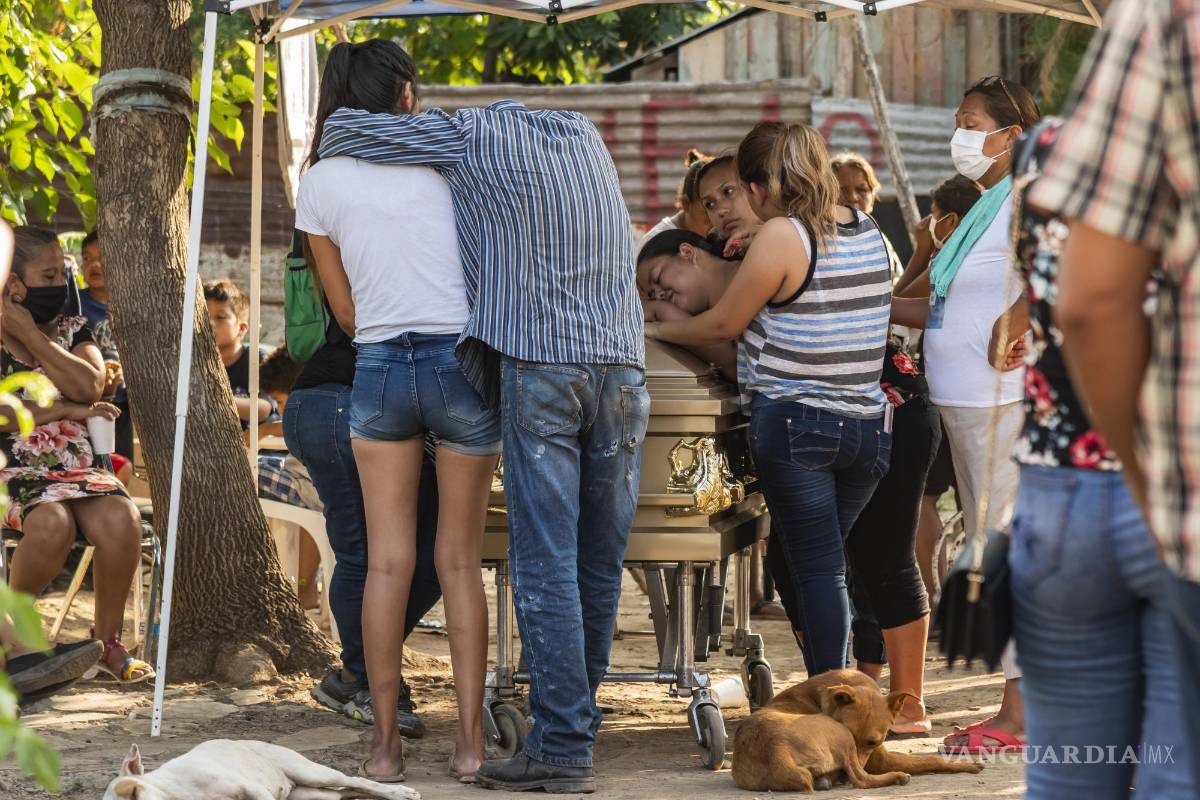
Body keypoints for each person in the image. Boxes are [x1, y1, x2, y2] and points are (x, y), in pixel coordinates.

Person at [317, 41, 648, 794]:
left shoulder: (467, 134)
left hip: (539, 367)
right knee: (597, 561)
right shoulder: (584, 135)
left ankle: (559, 747)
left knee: (543, 563)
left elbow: (344, 133)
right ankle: (569, 729)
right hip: (625, 369)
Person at [297, 41, 502, 785]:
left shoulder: (319, 179)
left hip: (378, 369)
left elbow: (344, 313)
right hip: (458, 362)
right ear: (406, 93)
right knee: (458, 562)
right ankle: (472, 747)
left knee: (387, 562)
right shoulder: (452, 162)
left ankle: (384, 747)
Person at [648, 121, 893, 676]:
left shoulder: (786, 234)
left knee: (818, 569)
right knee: (819, 562)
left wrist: (658, 330)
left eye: (746, 187)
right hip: (866, 432)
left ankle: (832, 698)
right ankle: (840, 690)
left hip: (799, 426)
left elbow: (725, 321)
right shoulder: (870, 229)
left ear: (765, 184)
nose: (746, 200)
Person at [1001, 118, 1198, 799]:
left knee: (1067, 773)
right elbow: (1094, 303)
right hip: (1177, 481)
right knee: (1180, 773)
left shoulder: (1044, 149)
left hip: (1059, 497)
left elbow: (1063, 299)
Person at [891, 76, 1040, 753]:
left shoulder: (1031, 194)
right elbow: (934, 305)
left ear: (1012, 133)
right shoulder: (982, 207)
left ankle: (1019, 717)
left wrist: (1024, 311)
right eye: (957, 119)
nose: (961, 133)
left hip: (999, 400)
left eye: (971, 120)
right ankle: (1017, 708)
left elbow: (1061, 265)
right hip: (962, 403)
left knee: (1005, 551)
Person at [281, 237, 441, 740]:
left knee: (438, 557)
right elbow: (351, 321)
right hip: (336, 402)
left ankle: (359, 672)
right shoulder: (349, 215)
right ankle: (368, 681)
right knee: (367, 554)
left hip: (380, 408)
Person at [0, 226, 152, 686]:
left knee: (121, 517)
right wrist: (65, 408)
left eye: (63, 272)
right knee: (52, 524)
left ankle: (106, 643)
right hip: (13, 469)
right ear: (12, 283)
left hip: (79, 468)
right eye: (49, 274)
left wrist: (30, 333)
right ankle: (15, 638)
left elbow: (91, 385)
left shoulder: (71, 327)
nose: (63, 283)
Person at [833, 153, 942, 734]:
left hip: (898, 405)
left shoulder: (870, 243)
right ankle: (865, 691)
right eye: (842, 189)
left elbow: (899, 309)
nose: (853, 198)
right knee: (862, 560)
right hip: (883, 404)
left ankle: (901, 701)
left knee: (885, 556)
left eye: (861, 189)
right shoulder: (841, 240)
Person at [898, 177, 981, 608]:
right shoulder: (972, 252)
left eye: (932, 216)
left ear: (947, 219)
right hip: (961, 392)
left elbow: (905, 302)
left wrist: (922, 249)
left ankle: (936, 594)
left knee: (927, 499)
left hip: (949, 393)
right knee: (969, 501)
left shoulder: (955, 253)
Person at [257, 345, 323, 611]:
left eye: (282, 402)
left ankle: (304, 588)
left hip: (310, 489)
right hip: (313, 490)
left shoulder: (307, 413)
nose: (281, 410)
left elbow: (288, 426)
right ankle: (303, 586)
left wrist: (262, 431)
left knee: (246, 470)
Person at [78, 229, 133, 464]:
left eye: (102, 257)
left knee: (121, 464)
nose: (94, 264)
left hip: (123, 403)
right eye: (87, 258)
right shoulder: (75, 304)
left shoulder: (132, 305)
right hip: (85, 403)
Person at [203, 279, 274, 427]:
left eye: (220, 317)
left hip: (254, 448)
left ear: (242, 328)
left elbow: (264, 408)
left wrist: (217, 400)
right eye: (204, 317)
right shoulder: (193, 361)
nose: (210, 323)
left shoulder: (256, 359)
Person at [635, 149, 712, 256]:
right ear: (686, 204)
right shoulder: (659, 244)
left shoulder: (714, 238)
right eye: (708, 207)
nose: (716, 218)